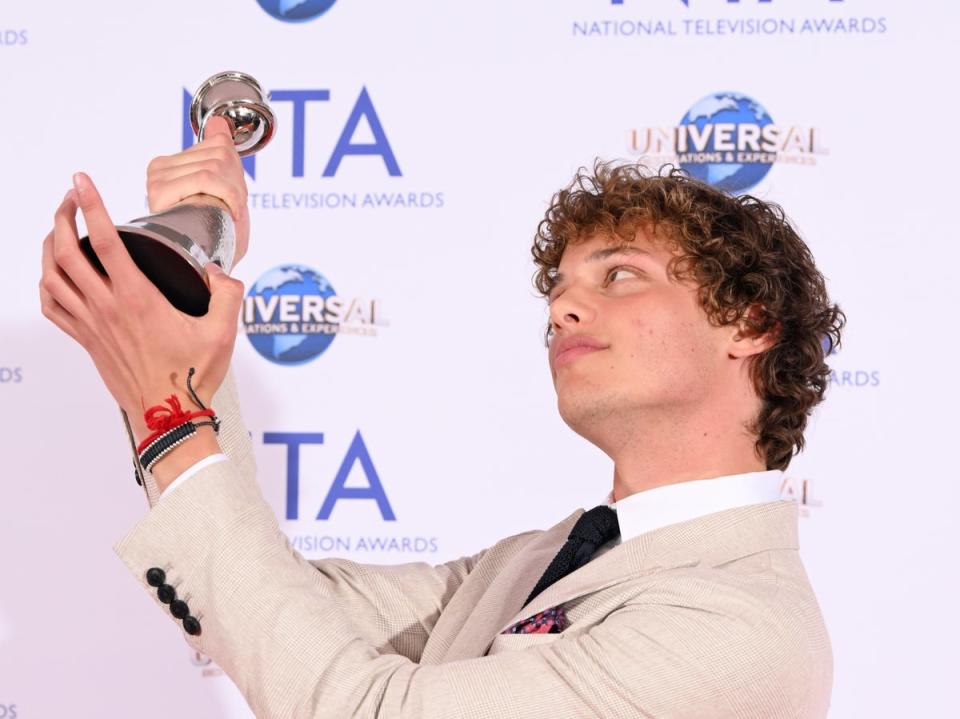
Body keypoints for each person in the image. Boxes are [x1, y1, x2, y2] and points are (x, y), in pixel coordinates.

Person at [38, 117, 843, 718]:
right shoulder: (541, 559)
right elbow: (270, 604)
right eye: (558, 286)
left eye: (620, 275)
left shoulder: (746, 628)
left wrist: (167, 410)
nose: (563, 306)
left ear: (749, 322)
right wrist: (190, 274)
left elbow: (364, 709)